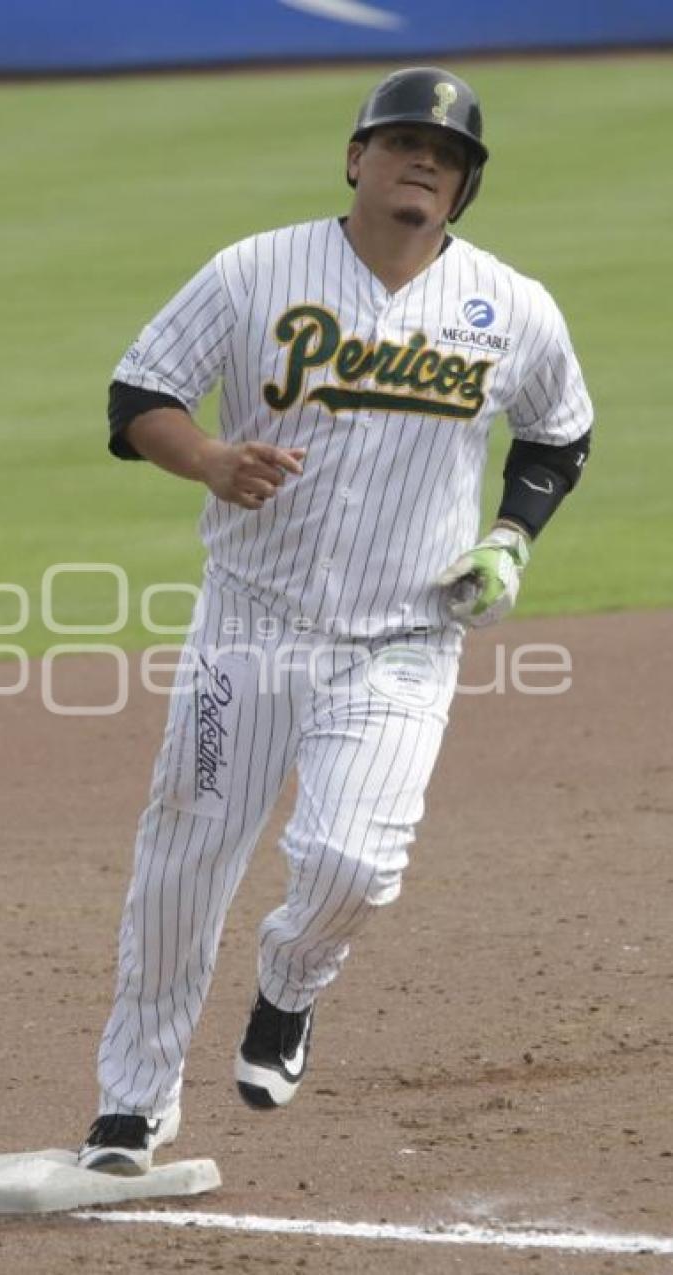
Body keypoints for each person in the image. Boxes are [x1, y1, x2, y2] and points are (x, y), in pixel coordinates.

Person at [78, 66, 592, 1174]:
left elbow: (559, 436)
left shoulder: (513, 307)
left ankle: (290, 986)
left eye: (447, 157)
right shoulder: (254, 271)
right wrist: (210, 458)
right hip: (248, 624)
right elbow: (138, 396)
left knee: (354, 867)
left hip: (405, 638)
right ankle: (132, 1101)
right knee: (186, 859)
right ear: (356, 158)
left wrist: (509, 540)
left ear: (462, 190)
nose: (424, 162)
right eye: (404, 142)